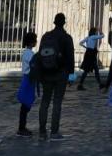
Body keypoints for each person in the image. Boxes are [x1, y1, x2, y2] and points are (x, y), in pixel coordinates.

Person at [35, 12, 75, 140]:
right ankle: (54, 132)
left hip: (46, 73)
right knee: (57, 102)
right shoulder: (66, 37)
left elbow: (40, 54)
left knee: (45, 101)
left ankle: (42, 132)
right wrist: (71, 74)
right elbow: (70, 57)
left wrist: (39, 72)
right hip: (61, 74)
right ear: (64, 22)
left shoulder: (46, 36)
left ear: (54, 22)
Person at [16, 31, 38, 137]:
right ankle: (21, 128)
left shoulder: (27, 52)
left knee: (26, 105)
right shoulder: (29, 53)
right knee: (25, 104)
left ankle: (22, 127)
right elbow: (34, 64)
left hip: (29, 79)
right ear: (31, 42)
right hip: (28, 79)